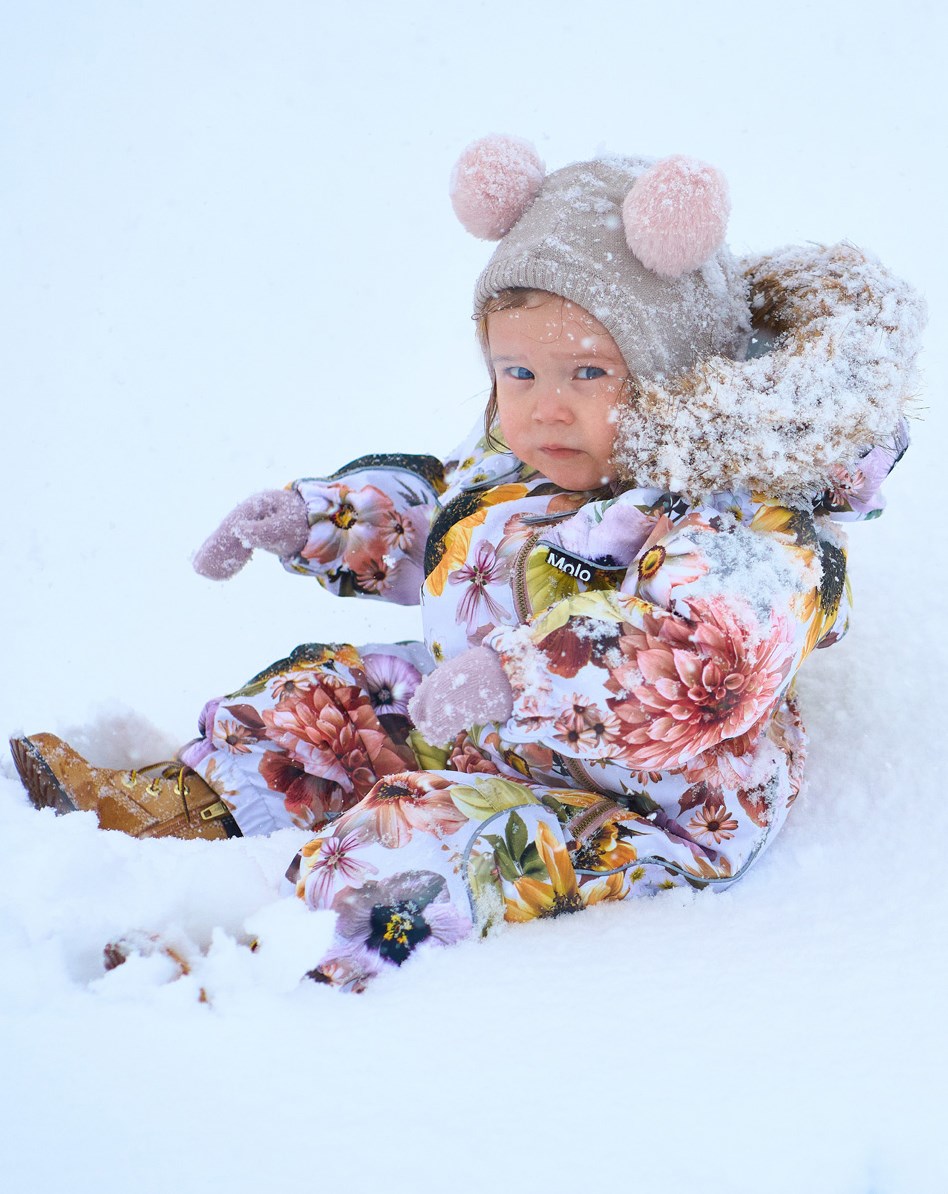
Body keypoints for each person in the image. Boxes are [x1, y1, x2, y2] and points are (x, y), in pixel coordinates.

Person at [9, 137, 924, 991]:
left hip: (642, 806)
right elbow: (448, 531)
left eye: (587, 375)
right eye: (517, 374)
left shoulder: (745, 519)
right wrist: (317, 523)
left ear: (672, 373)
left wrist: (518, 679)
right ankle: (182, 815)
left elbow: (702, 659)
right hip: (481, 717)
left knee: (422, 838)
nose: (544, 409)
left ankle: (257, 958)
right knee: (325, 693)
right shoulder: (522, 460)